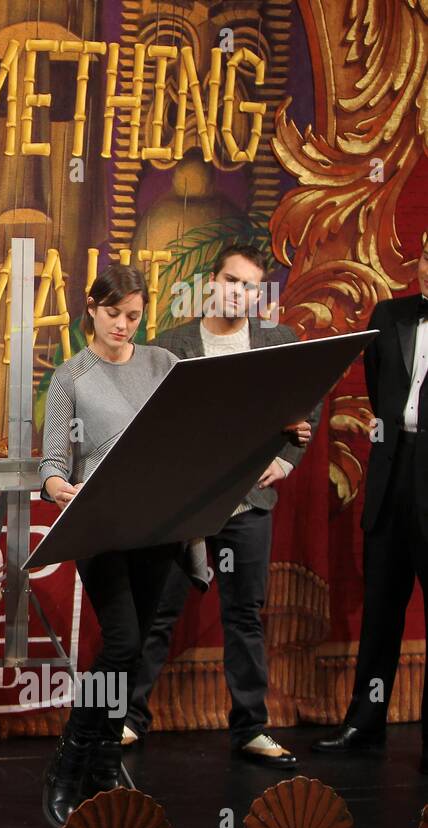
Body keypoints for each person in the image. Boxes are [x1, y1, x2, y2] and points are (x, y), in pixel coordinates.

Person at [123, 245, 317, 768]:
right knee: (158, 612)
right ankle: (129, 720)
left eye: (251, 286)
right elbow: (148, 422)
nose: (240, 292)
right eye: (232, 280)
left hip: (248, 503)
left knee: (245, 615)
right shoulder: (171, 346)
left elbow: (309, 402)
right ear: (212, 281)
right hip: (183, 505)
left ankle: (251, 728)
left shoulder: (277, 342)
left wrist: (290, 458)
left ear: (259, 294)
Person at [38, 264, 185, 828]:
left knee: (136, 645)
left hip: (157, 523)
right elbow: (54, 459)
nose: (123, 325)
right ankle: (69, 763)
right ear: (91, 309)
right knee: (121, 640)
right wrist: (57, 486)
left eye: (133, 316)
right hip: (99, 523)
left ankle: (101, 765)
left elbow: (187, 434)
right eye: (113, 313)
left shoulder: (163, 365)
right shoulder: (71, 376)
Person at [314, 229, 428, 774]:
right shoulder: (389, 315)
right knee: (381, 613)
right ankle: (364, 721)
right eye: (427, 256)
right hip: (389, 480)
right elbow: (383, 395)